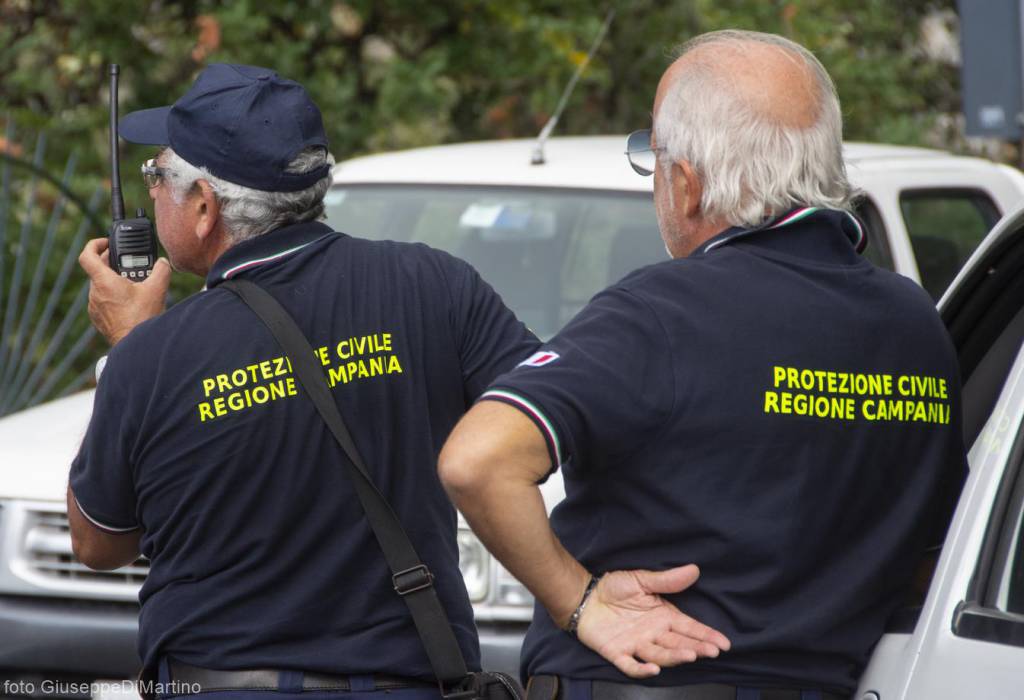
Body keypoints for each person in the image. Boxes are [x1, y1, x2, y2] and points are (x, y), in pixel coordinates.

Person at [438, 29, 966, 700]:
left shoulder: (661, 313)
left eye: (652, 155)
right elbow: (931, 551)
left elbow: (477, 460)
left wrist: (581, 603)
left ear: (687, 184)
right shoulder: (914, 324)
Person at [69, 63, 540, 699]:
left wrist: (128, 350)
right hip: (415, 681)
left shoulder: (151, 355)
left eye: (157, 175)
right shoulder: (436, 285)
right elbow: (556, 417)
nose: (151, 191)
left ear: (204, 207)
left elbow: (98, 542)